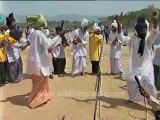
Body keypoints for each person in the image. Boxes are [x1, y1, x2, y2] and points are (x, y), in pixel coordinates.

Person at [26, 14, 67, 109]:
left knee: (38, 82)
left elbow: (46, 42)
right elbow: (48, 44)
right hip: (39, 62)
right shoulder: (39, 34)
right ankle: (36, 101)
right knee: (40, 82)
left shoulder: (35, 33)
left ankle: (43, 97)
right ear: (41, 23)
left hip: (35, 61)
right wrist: (59, 36)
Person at [116, 13, 158, 102]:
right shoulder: (133, 40)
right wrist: (119, 25)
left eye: (144, 30)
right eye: (141, 30)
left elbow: (154, 32)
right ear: (137, 31)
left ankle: (153, 100)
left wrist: (155, 21)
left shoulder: (148, 39)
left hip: (147, 68)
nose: (143, 32)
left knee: (150, 84)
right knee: (131, 84)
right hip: (135, 67)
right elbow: (121, 37)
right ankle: (132, 98)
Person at [6, 13, 28, 83]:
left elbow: (21, 39)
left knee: (19, 66)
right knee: (12, 67)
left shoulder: (15, 31)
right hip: (10, 53)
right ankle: (12, 79)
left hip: (16, 53)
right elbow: (13, 43)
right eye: (14, 22)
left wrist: (28, 41)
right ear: (11, 24)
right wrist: (21, 46)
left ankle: (19, 78)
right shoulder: (7, 33)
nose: (15, 23)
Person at [0, 15, 17, 86]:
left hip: (4, 55)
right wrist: (8, 34)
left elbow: (10, 40)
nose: (4, 25)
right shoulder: (4, 34)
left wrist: (14, 39)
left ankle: (3, 80)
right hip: (0, 55)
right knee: (1, 69)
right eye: (2, 24)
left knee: (4, 68)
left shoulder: (4, 32)